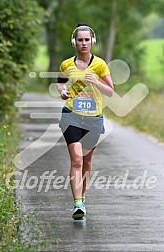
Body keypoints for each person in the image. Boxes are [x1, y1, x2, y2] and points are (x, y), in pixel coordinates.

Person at [56, 22, 113, 220]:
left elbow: (110, 91)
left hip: (93, 119)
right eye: (80, 40)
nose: (83, 43)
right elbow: (60, 83)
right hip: (71, 115)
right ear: (75, 42)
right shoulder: (66, 64)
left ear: (92, 41)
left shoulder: (100, 65)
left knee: (87, 162)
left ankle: (83, 196)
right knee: (77, 159)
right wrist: (62, 91)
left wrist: (95, 81)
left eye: (86, 40)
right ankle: (77, 204)